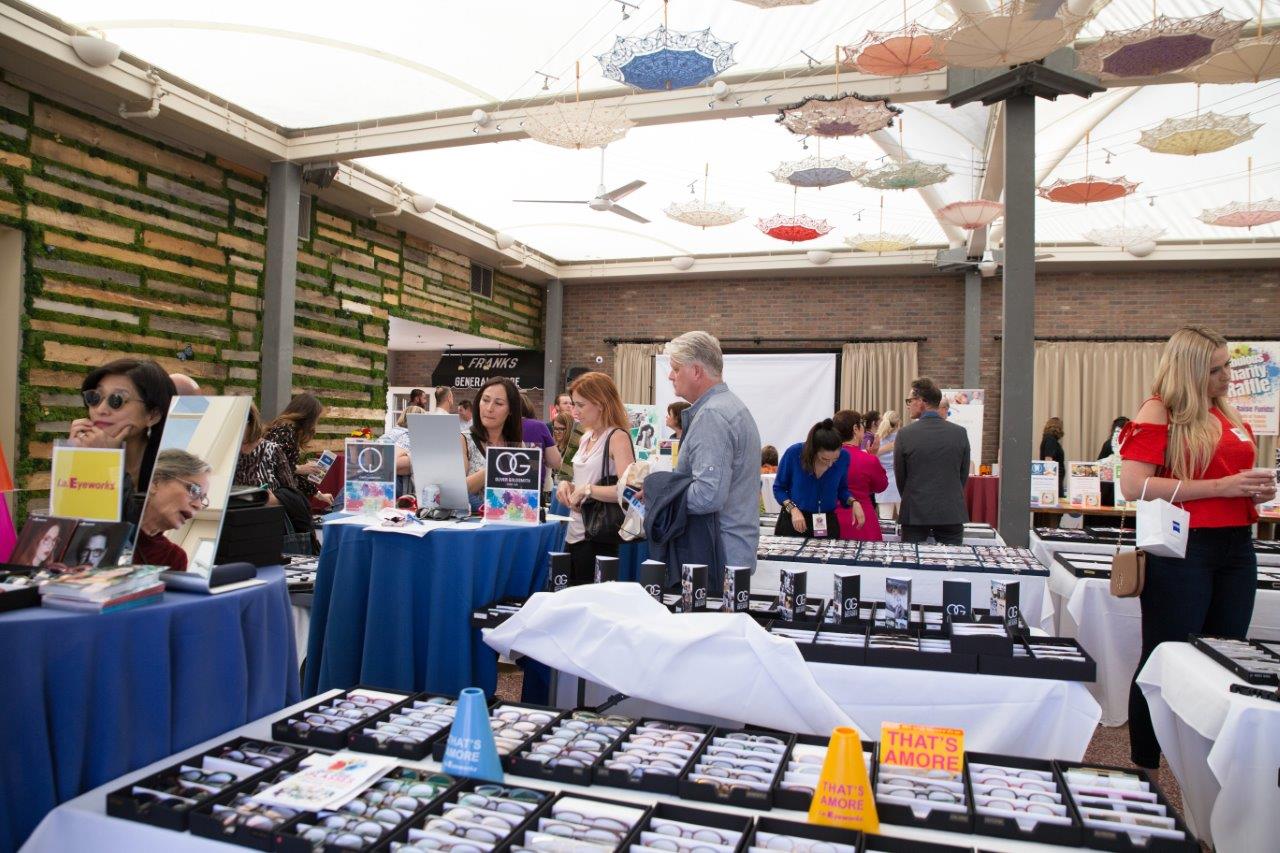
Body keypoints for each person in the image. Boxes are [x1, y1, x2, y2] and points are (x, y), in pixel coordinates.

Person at [1119, 326, 1275, 770]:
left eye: (1227, 365)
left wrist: (1250, 492)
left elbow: (1228, 482)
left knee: (1227, 654)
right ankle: (1146, 762)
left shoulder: (1224, 412)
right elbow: (1134, 484)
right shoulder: (1159, 411)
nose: (1227, 376)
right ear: (1189, 371)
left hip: (1237, 546)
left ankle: (1206, 758)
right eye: (1216, 369)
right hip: (1183, 550)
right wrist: (1223, 486)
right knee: (1164, 655)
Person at [656, 331, 762, 569]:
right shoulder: (730, 407)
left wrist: (661, 496)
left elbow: (707, 496)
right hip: (727, 552)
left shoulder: (713, 415)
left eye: (675, 368)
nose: (670, 376)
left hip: (715, 556)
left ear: (696, 371)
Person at [70, 358, 175, 523]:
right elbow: (70, 525)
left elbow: (140, 536)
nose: (101, 409)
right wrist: (75, 463)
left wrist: (108, 463)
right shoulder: (84, 451)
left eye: (116, 400)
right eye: (94, 397)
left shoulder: (170, 470)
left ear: (152, 415)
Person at [555, 372, 635, 584]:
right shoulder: (585, 438)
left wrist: (588, 490)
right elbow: (580, 479)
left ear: (600, 403)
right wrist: (567, 485)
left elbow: (628, 491)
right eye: (573, 404)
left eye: (580, 405)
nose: (574, 411)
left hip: (598, 535)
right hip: (575, 532)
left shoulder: (617, 437)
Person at [894, 377, 970, 545]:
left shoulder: (905, 434)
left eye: (910, 400)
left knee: (912, 565)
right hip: (950, 510)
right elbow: (963, 475)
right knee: (952, 566)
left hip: (915, 510)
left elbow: (901, 477)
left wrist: (912, 498)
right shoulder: (960, 433)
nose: (908, 405)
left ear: (921, 401)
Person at [134, 448, 213, 572]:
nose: (198, 505)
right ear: (155, 482)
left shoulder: (175, 559)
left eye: (203, 499)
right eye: (194, 490)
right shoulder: (108, 524)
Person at [773, 419, 854, 539]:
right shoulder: (794, 454)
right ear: (814, 451)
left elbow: (842, 490)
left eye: (835, 459)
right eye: (825, 459)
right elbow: (779, 488)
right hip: (795, 521)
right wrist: (793, 509)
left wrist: (853, 502)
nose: (830, 464)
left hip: (827, 522)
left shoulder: (844, 457)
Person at [461, 378, 528, 511]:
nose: (489, 408)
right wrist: (494, 467)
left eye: (498, 403)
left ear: (510, 410)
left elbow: (524, 493)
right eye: (485, 400)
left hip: (507, 523)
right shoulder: (463, 439)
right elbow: (458, 488)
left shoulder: (518, 445)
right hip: (471, 524)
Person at [264, 392, 332, 506]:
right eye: (316, 419)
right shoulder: (286, 432)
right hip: (275, 499)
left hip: (277, 496)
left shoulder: (285, 430)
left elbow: (290, 474)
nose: (316, 424)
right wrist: (300, 468)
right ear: (308, 417)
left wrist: (319, 494)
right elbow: (272, 467)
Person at [833, 409, 888, 541]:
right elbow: (881, 486)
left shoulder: (827, 458)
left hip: (832, 517)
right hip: (861, 518)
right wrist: (873, 457)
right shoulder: (867, 459)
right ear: (855, 429)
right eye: (861, 424)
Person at [519, 390, 564, 487]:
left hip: (499, 488)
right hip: (532, 487)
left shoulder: (499, 426)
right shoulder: (538, 426)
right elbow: (555, 462)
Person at [874, 410, 902, 519]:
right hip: (901, 485)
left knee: (885, 522)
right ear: (899, 422)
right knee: (905, 523)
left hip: (883, 485)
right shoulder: (904, 438)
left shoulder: (877, 440)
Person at [1040, 417, 1067, 497]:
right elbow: (1048, 459)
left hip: (1054, 480)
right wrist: (1050, 483)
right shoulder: (1051, 440)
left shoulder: (1049, 439)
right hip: (1054, 481)